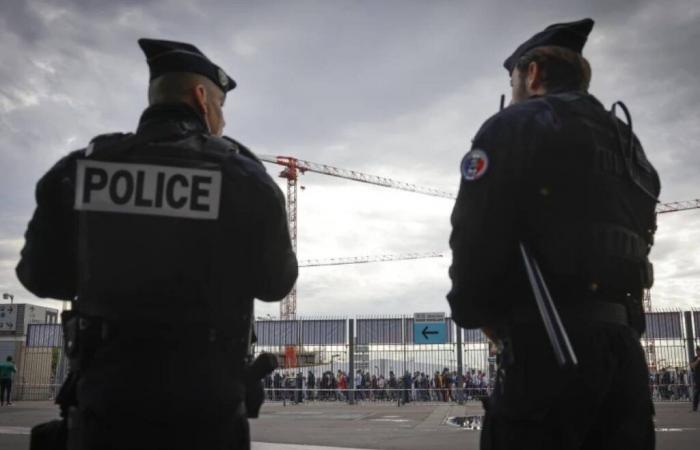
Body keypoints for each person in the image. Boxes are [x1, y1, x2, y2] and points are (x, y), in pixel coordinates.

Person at [16, 38, 297, 450]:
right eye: (221, 107)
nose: (221, 121)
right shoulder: (243, 179)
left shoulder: (81, 171)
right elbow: (275, 284)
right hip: (208, 412)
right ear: (201, 98)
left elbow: (40, 278)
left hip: (105, 406)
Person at [447, 18, 659, 450]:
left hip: (546, 352)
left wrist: (477, 314)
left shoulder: (514, 126)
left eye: (514, 78)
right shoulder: (629, 145)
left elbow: (474, 238)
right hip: (623, 356)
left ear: (533, 73)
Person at [691, 346, 700, 412]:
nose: (698, 352)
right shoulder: (695, 358)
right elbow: (692, 366)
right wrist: (698, 360)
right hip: (697, 379)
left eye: (698, 350)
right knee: (696, 393)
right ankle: (695, 407)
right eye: (697, 350)